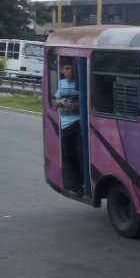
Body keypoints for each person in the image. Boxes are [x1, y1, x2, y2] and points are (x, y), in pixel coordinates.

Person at [55, 58, 83, 196]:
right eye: (66, 68)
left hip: (78, 123)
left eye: (71, 68)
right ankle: (75, 185)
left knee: (79, 154)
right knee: (69, 156)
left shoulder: (80, 84)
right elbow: (55, 101)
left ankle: (82, 183)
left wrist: (75, 105)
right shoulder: (60, 84)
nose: (69, 71)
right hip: (64, 124)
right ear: (61, 70)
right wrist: (62, 102)